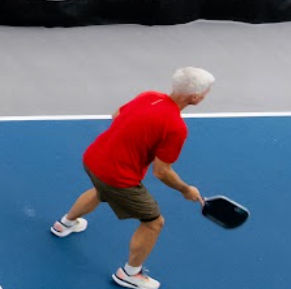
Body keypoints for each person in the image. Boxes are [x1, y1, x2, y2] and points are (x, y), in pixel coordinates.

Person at [50, 68, 215, 289]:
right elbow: (162, 171)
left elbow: (116, 115)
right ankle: (129, 274)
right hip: (117, 176)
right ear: (194, 97)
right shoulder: (176, 127)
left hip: (94, 158)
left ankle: (65, 224)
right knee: (154, 223)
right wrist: (186, 189)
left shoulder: (149, 96)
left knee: (102, 191)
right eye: (205, 93)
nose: (205, 96)